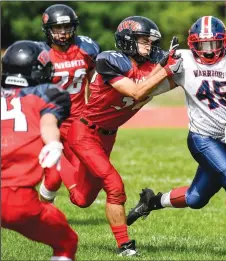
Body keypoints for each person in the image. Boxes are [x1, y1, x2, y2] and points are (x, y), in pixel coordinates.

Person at [126, 16, 226, 261]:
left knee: (196, 199)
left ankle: (151, 202)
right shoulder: (184, 60)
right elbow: (150, 87)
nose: (207, 51)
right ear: (192, 43)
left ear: (225, 41)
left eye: (213, 44)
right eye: (201, 45)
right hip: (201, 138)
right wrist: (161, 68)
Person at [58, 16, 183, 256]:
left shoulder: (150, 65)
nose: (150, 46)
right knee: (115, 186)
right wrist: (166, 70)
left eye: (151, 41)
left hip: (107, 137)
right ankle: (125, 246)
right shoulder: (110, 60)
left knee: (81, 199)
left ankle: (54, 159)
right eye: (144, 40)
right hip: (85, 132)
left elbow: (175, 77)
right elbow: (136, 91)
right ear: (128, 41)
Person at [1, 40, 77, 260]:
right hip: (14, 197)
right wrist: (53, 143)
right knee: (66, 241)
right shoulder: (45, 94)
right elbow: (48, 123)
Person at [38, 4, 101, 203]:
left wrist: (93, 111)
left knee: (82, 196)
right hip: (50, 123)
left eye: (67, 28)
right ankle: (43, 213)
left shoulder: (86, 49)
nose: (63, 33)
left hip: (78, 123)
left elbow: (95, 82)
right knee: (54, 179)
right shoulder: (40, 55)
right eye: (58, 28)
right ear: (48, 30)